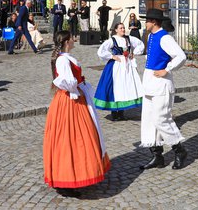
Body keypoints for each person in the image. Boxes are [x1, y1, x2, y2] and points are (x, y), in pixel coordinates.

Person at [43, 30, 110, 190]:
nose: (74, 40)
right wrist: (77, 85)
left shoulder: (65, 58)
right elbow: (68, 82)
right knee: (69, 139)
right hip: (69, 101)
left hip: (76, 98)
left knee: (82, 137)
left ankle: (79, 173)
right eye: (72, 38)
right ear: (67, 41)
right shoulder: (62, 60)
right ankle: (66, 179)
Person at [138, 9, 188, 170]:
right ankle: (157, 156)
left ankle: (179, 150)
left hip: (161, 84)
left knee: (161, 118)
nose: (145, 23)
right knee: (149, 120)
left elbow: (181, 56)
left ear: (154, 22)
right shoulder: (151, 36)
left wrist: (167, 69)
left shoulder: (165, 37)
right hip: (150, 83)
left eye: (147, 21)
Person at [94, 23, 145, 121]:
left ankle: (121, 112)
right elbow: (101, 51)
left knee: (125, 87)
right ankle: (114, 113)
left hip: (127, 66)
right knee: (116, 87)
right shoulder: (112, 40)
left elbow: (140, 45)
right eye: (121, 28)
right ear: (116, 30)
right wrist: (112, 56)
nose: (123, 29)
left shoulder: (129, 38)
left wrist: (133, 53)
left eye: (123, 28)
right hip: (116, 67)